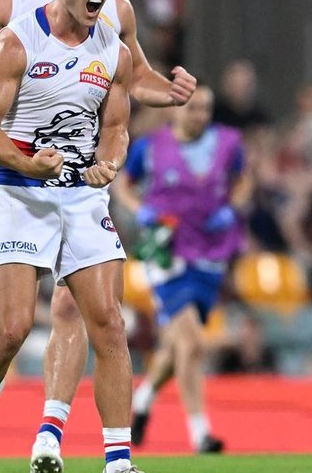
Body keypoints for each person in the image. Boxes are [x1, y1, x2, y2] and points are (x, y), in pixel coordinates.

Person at [0, 0, 197, 472]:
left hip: (80, 189)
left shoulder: (112, 16)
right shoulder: (8, 11)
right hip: (19, 180)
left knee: (98, 315)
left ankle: (94, 452)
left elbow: (127, 90)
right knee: (9, 332)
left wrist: (165, 99)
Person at [111, 85, 250, 454]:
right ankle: (201, 433)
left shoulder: (228, 143)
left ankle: (144, 398)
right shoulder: (150, 147)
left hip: (210, 254)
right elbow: (124, 185)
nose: (200, 115)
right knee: (191, 341)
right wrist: (139, 209)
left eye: (206, 108)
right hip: (167, 252)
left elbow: (243, 179)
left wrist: (231, 207)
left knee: (177, 350)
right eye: (193, 108)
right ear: (175, 110)